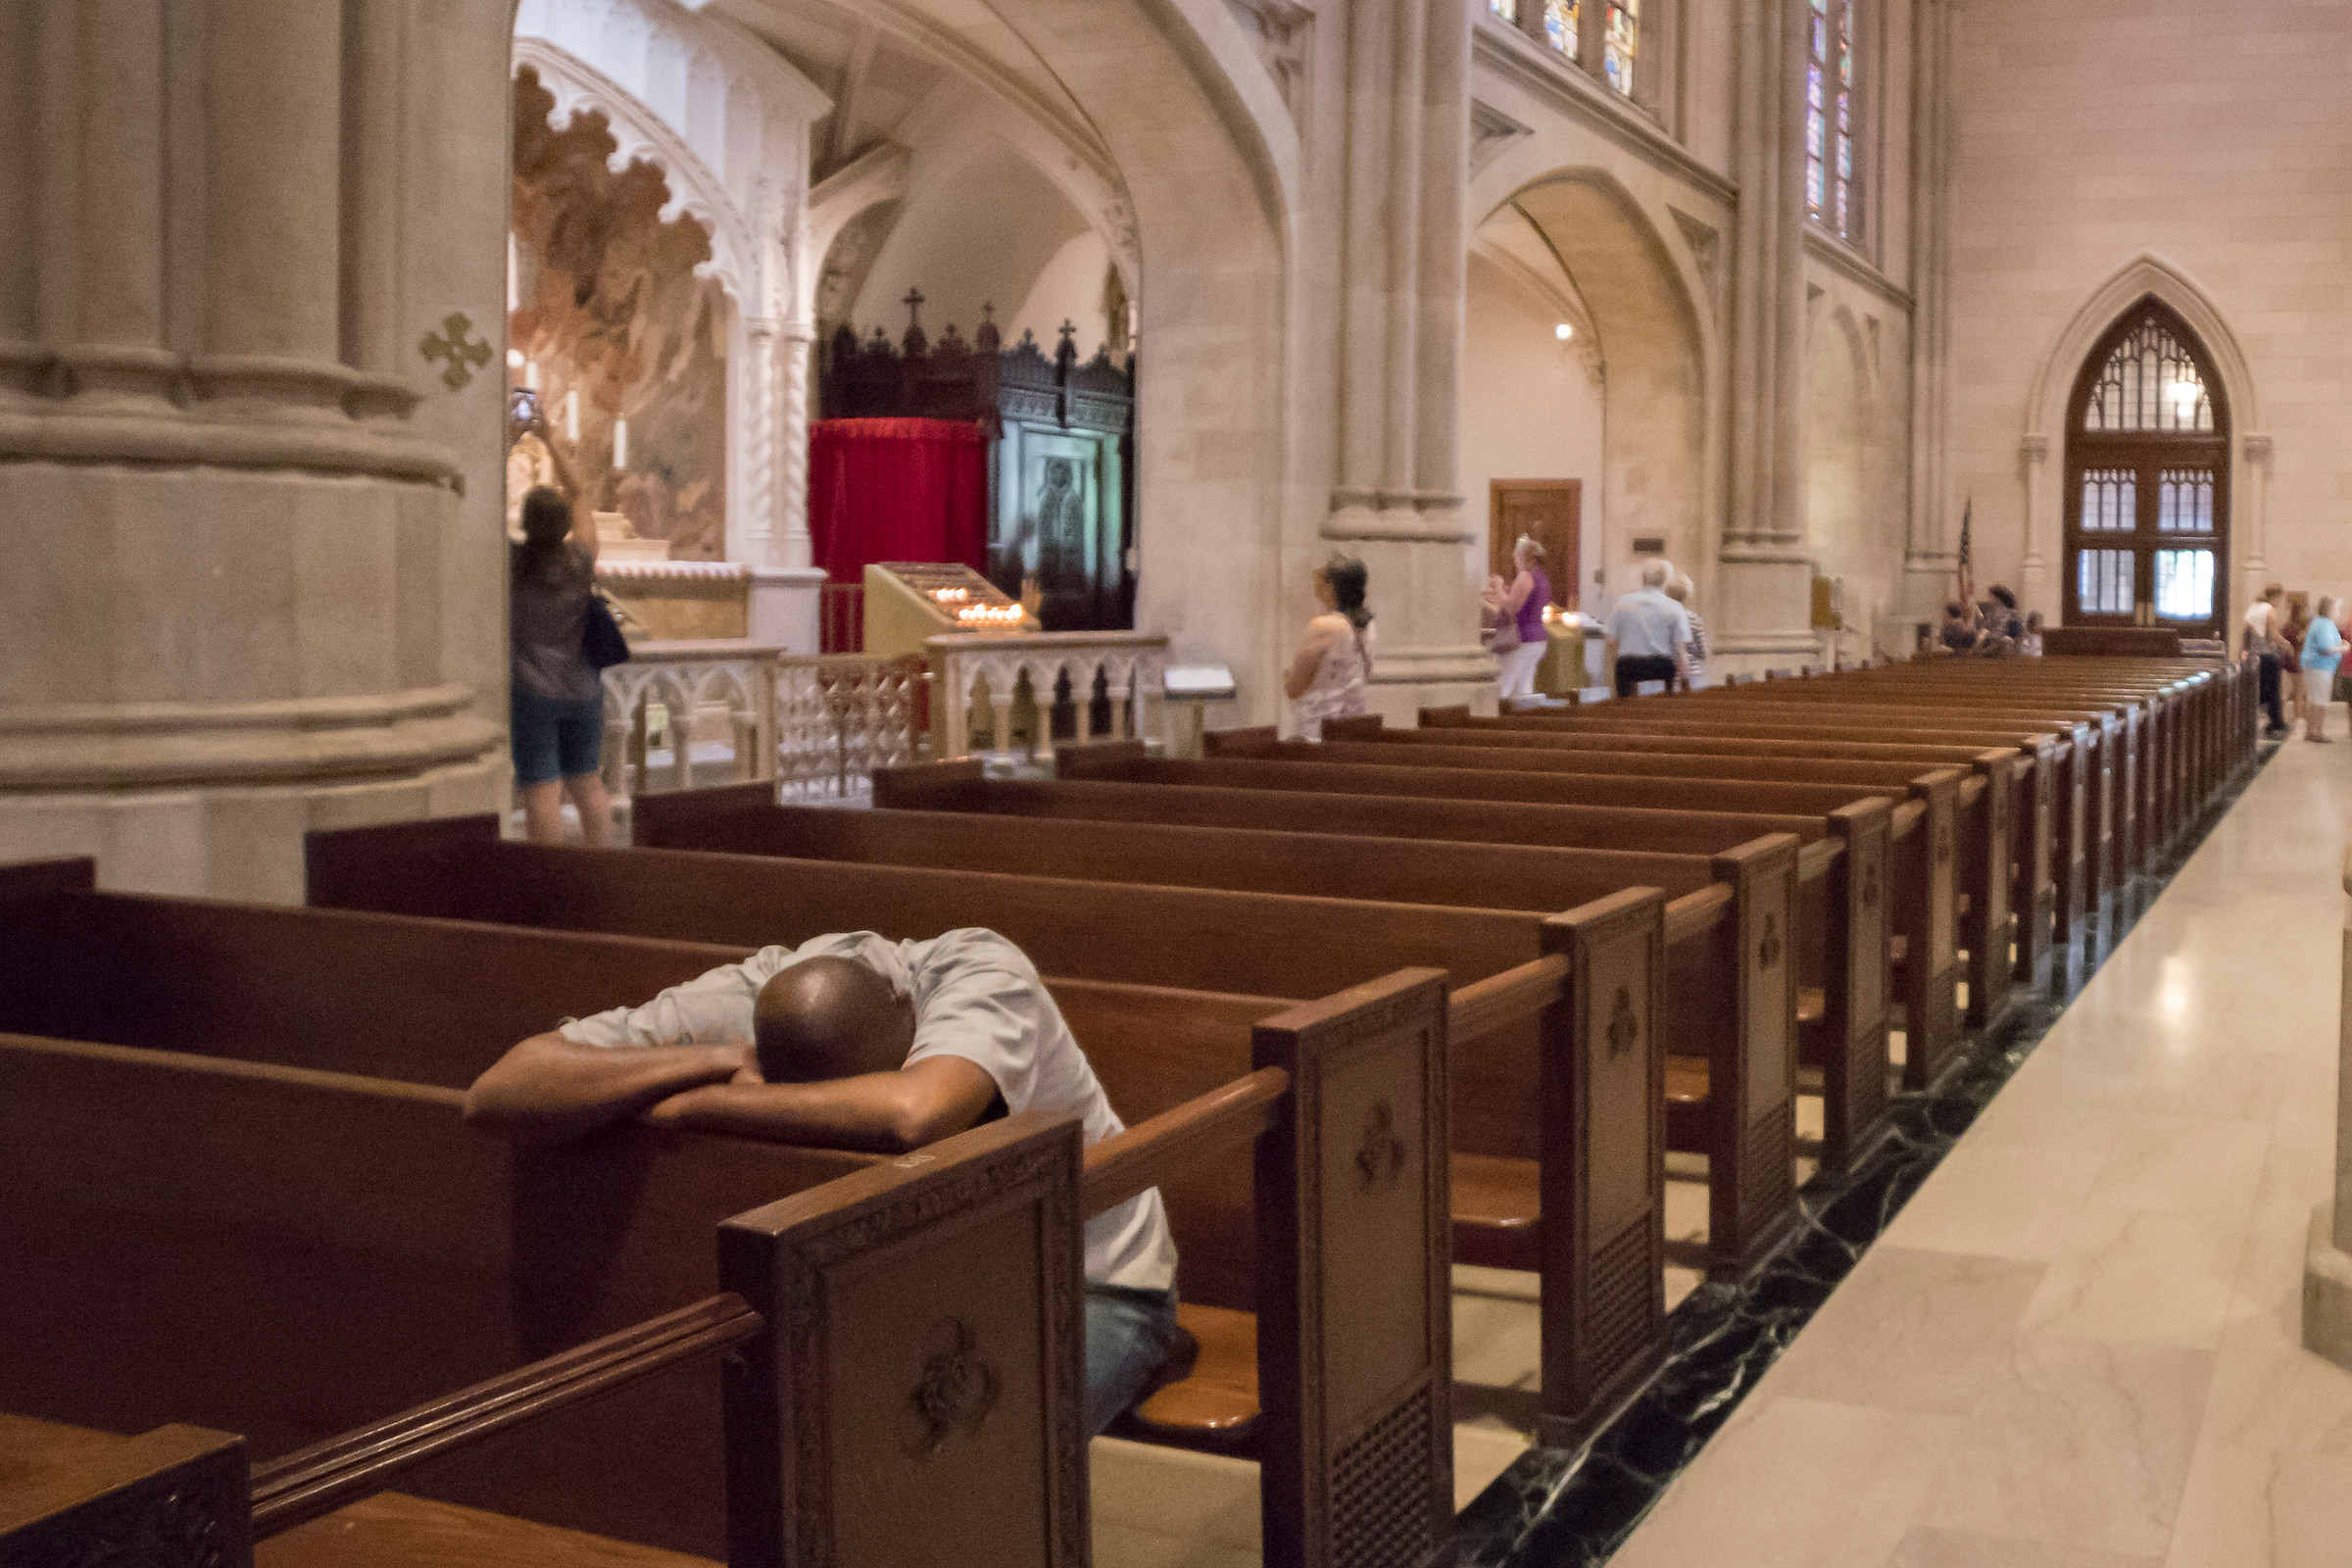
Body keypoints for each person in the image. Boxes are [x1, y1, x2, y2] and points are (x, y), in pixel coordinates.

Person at [465, 927, 1183, 1436]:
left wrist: (694, 1103)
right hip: (906, 1280)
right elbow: (502, 1089)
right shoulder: (749, 996)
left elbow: (912, 1113)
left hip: (1084, 1281)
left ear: (909, 1016)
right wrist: (707, 1058)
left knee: (978, 1446)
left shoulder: (983, 976)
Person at [512, 480, 615, 847]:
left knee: (541, 788)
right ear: (566, 523)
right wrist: (556, 450)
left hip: (533, 689)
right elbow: (581, 494)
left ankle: (550, 874)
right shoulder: (580, 561)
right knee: (586, 781)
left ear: (525, 522)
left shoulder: (512, 563)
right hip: (582, 688)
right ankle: (603, 867)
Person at [1285, 554, 1374, 740]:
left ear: (1331, 586)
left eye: (1320, 576)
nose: (1315, 578)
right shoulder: (1368, 626)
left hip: (1319, 730)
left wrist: (1288, 676)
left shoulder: (1325, 626)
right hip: (1352, 728)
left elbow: (1294, 687)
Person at [1603, 560, 1692, 698]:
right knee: (1660, 707)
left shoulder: (1623, 603)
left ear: (1643, 578)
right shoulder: (1674, 608)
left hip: (1628, 666)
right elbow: (1679, 649)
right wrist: (1685, 681)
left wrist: (1623, 652)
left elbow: (1610, 638)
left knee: (1626, 707)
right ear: (1665, 580)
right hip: (1660, 667)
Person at [1484, 536, 1554, 705]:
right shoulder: (1542, 577)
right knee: (1524, 689)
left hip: (1521, 639)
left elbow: (1511, 608)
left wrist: (1498, 588)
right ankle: (1524, 718)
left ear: (1525, 557)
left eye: (1517, 557)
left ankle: (1497, 719)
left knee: (1504, 686)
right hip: (1538, 639)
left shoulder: (1525, 576)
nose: (1515, 561)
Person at [2246, 582, 2287, 737]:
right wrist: (2287, 645)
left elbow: (2247, 631)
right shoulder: (2269, 610)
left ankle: (2251, 720)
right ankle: (2276, 722)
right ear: (2276, 596)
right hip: (2268, 655)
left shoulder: (2254, 608)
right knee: (2274, 689)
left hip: (2254, 654)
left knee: (2259, 688)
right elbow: (2274, 635)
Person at [2302, 597, 2343, 743]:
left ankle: (2312, 730)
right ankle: (2315, 731)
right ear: (2330, 609)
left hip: (2317, 666)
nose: (2338, 611)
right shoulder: (2325, 624)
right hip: (2320, 666)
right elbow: (2326, 648)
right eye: (2336, 608)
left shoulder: (2319, 622)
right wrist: (2343, 648)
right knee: (2319, 700)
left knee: (2315, 699)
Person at [1665, 575, 1707, 689]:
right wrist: (1689, 649)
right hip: (1692, 675)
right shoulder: (1693, 618)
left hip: (1669, 675)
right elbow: (1702, 652)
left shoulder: (1663, 618)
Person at [2279, 597, 2312, 735]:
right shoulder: (2301, 628)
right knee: (2299, 693)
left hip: (2286, 662)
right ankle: (2298, 719)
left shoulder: (2286, 627)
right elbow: (2302, 645)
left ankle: (2284, 719)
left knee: (2285, 693)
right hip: (2297, 662)